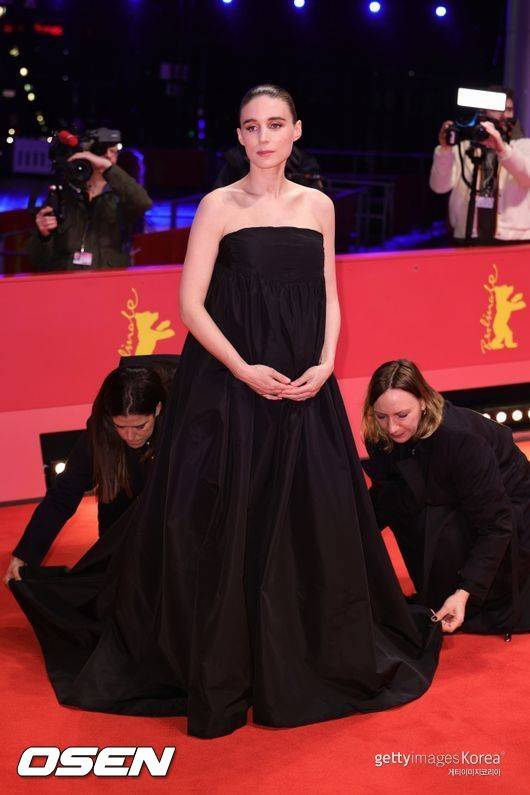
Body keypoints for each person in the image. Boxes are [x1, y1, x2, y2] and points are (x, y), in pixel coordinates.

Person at [10, 85, 441, 740]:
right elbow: (190, 305)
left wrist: (326, 362)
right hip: (231, 387)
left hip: (304, 386)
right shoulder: (218, 205)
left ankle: (300, 653)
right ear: (239, 136)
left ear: (296, 130)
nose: (264, 137)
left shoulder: (319, 206)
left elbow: (329, 292)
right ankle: (225, 661)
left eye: (275, 124)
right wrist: (243, 369)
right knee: (224, 519)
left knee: (308, 518)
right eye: (251, 126)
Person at [362, 359, 530, 637]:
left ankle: (470, 597)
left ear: (424, 403)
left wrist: (465, 592)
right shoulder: (381, 435)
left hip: (509, 511)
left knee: (439, 525)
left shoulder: (460, 439)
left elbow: (496, 524)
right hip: (454, 493)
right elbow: (385, 498)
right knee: (400, 504)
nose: (392, 428)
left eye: (402, 415)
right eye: (381, 416)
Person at [4, 359, 176, 583]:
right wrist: (25, 555)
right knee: (115, 578)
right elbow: (63, 494)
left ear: (158, 409)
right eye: (120, 426)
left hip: (172, 507)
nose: (130, 436)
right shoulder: (100, 432)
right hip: (119, 507)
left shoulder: (180, 425)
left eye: (139, 426)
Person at [27, 128, 153, 271]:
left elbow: (144, 202)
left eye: (113, 151)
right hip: (68, 278)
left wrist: (108, 169)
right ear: (85, 154)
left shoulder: (121, 194)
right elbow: (37, 260)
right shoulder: (63, 194)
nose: (108, 156)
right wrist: (43, 236)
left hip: (107, 279)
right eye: (101, 151)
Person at [429, 86, 530, 244]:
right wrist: (445, 149)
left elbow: (527, 176)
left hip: (513, 238)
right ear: (482, 112)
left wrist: (502, 149)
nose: (504, 115)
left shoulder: (524, 146)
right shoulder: (464, 148)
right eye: (498, 109)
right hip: (468, 235)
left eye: (509, 109)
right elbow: (439, 187)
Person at [214, 142, 324, 190]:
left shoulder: (304, 162)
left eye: (275, 126)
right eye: (252, 128)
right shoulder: (236, 160)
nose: (264, 137)